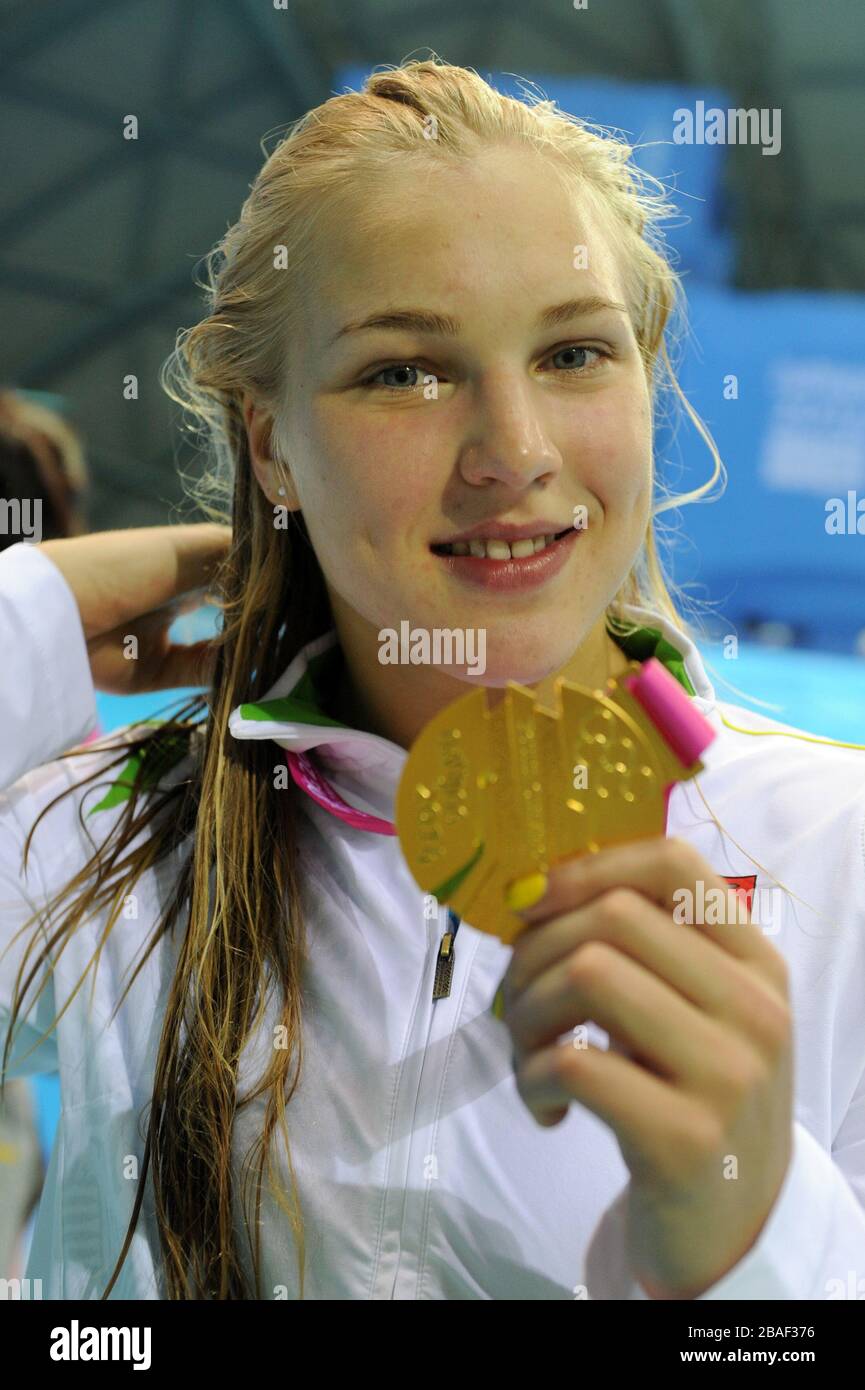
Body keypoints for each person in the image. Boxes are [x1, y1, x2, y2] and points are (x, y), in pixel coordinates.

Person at [1, 57, 865, 1302]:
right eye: (403, 371)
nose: (513, 454)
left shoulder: (836, 856)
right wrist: (30, 617)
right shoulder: (100, 847)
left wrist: (754, 1245)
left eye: (573, 353)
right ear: (269, 443)